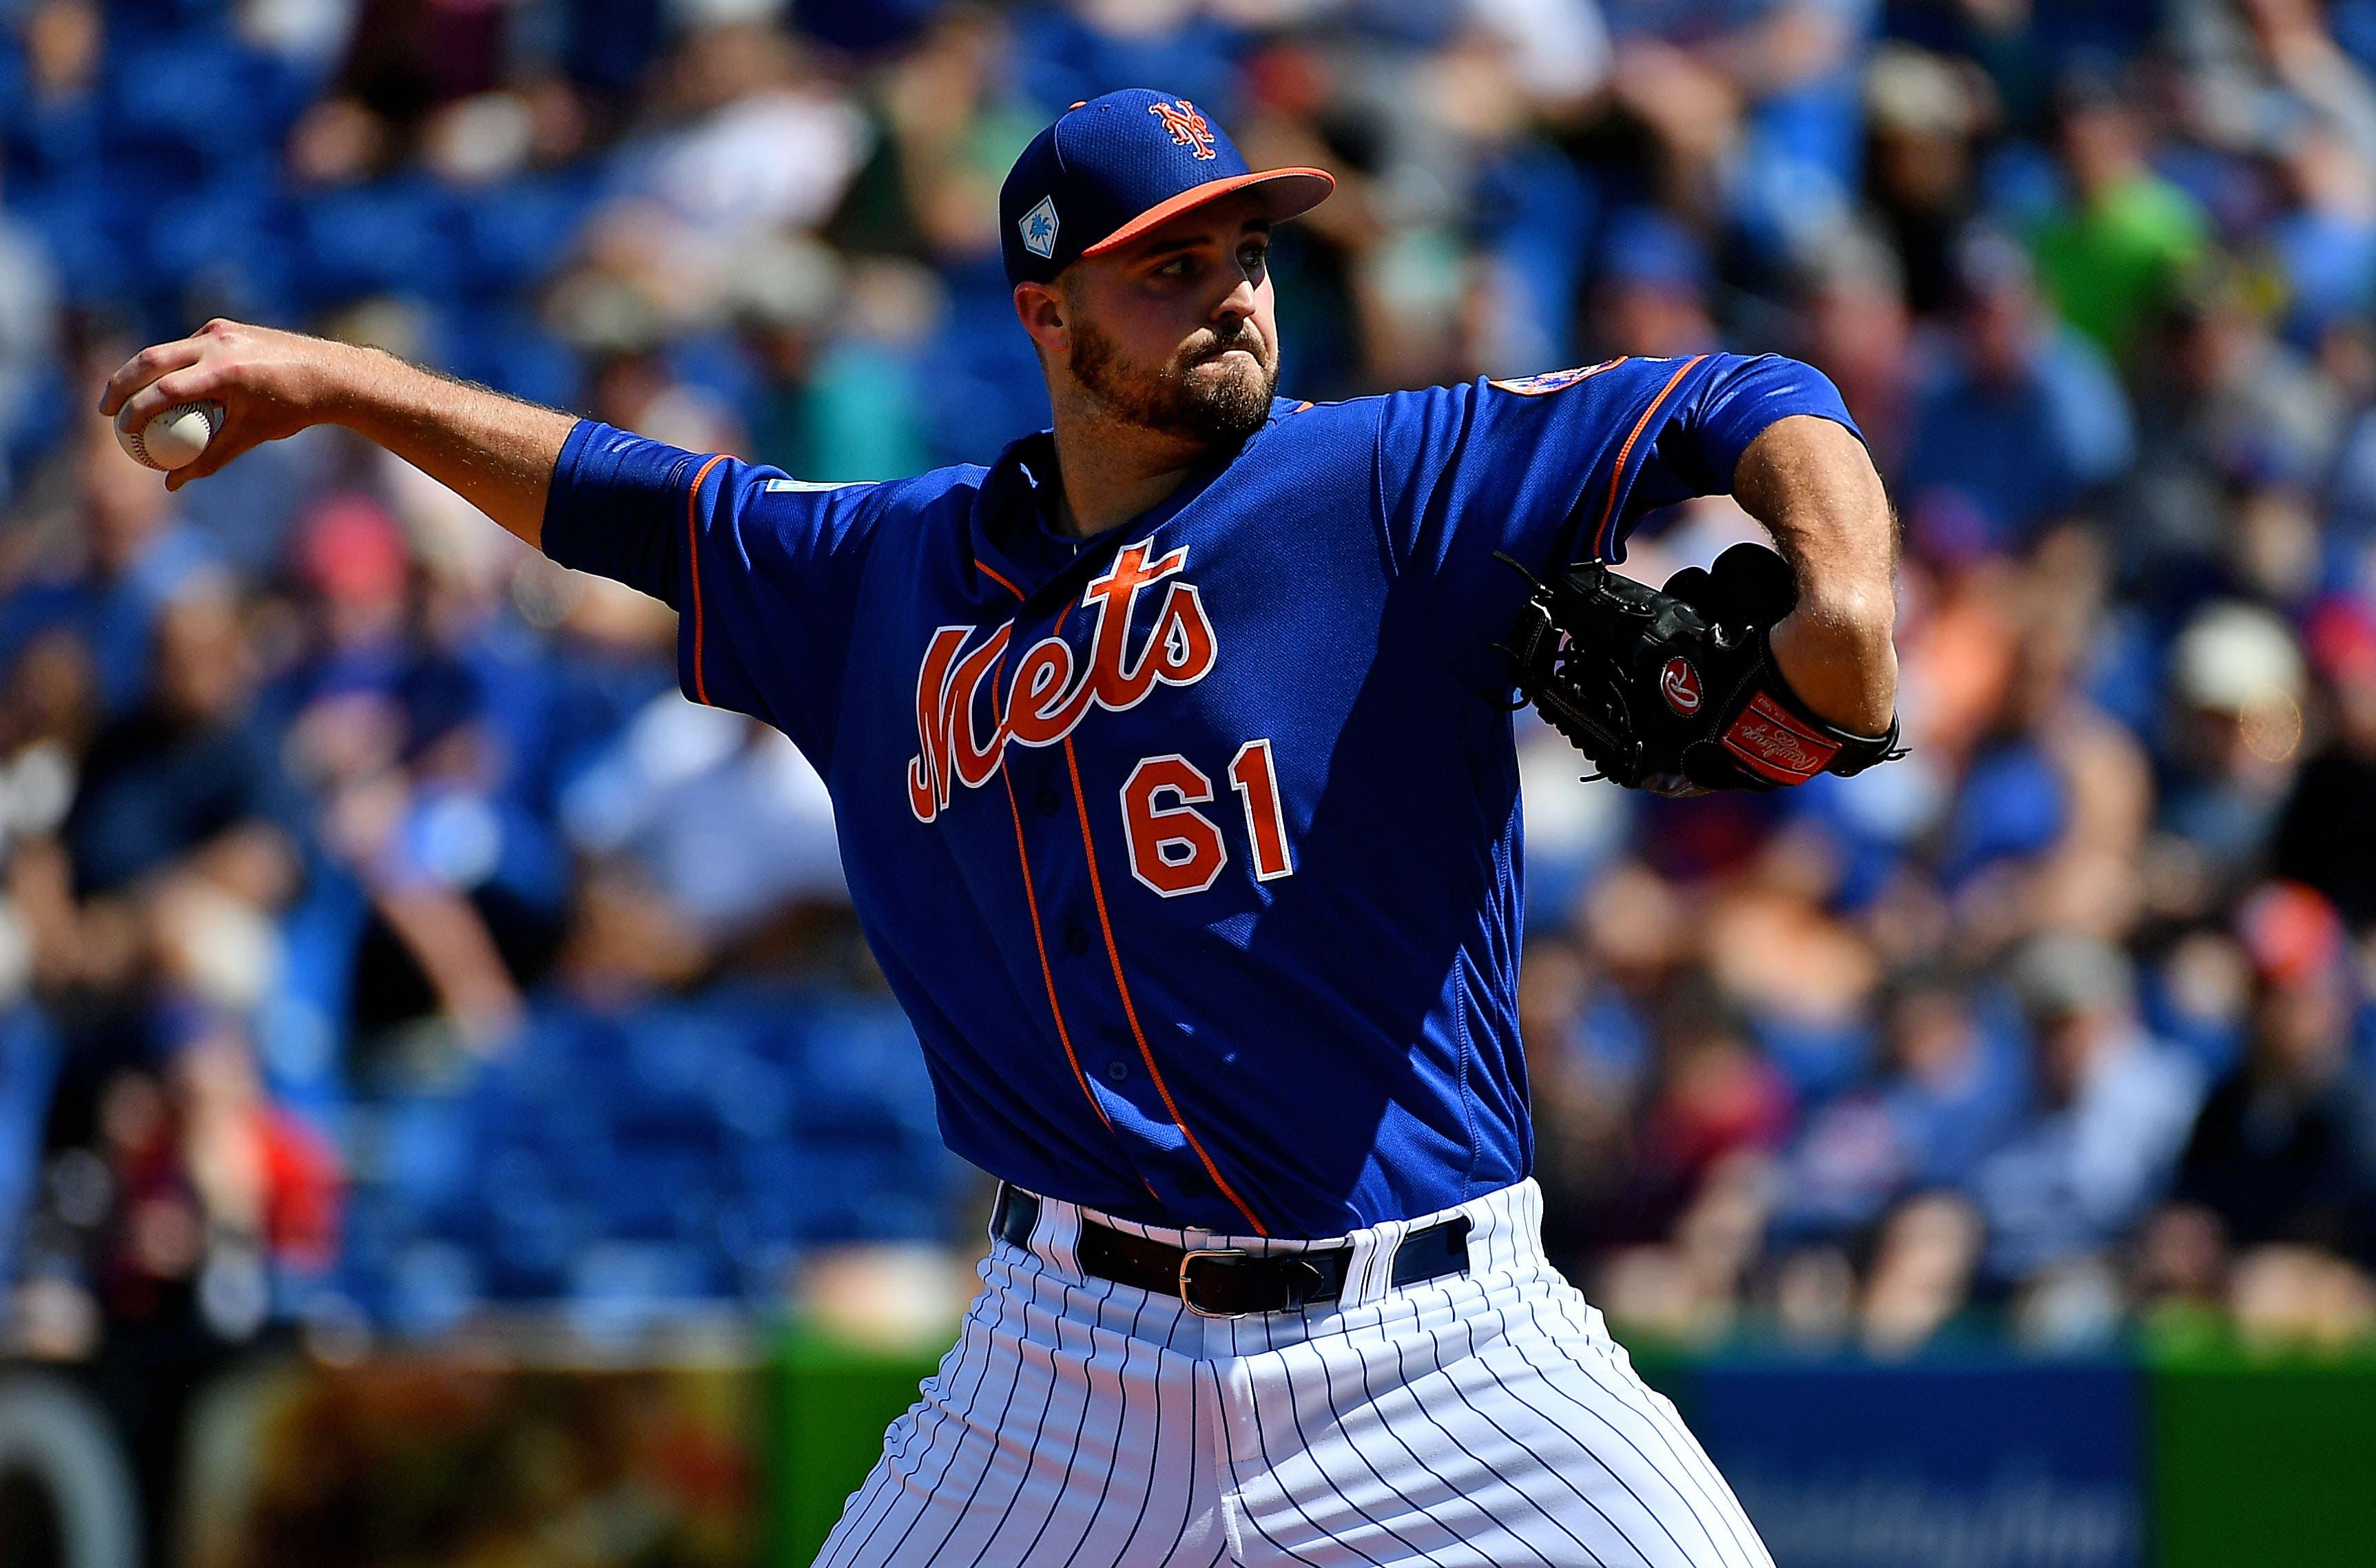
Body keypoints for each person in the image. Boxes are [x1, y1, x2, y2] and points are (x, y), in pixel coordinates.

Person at [102, 89, 1897, 1568]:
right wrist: (332, 381)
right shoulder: (877, 570)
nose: (1231, 295)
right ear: (1043, 311)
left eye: (1246, 254)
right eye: (1167, 265)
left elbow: (1747, 400)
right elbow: (602, 494)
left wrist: (1843, 590)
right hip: (1064, 1366)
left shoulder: (1390, 478)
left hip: (1438, 1345)